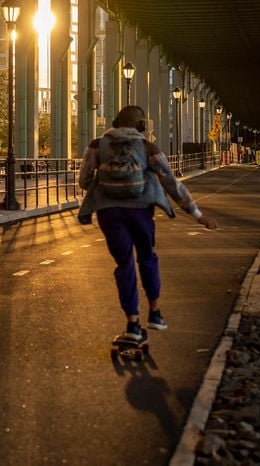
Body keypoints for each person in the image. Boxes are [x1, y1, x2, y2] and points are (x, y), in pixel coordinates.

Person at [78, 105, 218, 343]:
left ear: (114, 122)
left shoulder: (96, 145)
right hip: (142, 210)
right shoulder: (147, 147)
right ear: (142, 126)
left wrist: (104, 185)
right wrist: (196, 214)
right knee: (147, 257)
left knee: (124, 265)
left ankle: (132, 324)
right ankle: (154, 312)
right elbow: (170, 182)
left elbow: (84, 180)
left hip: (109, 213)